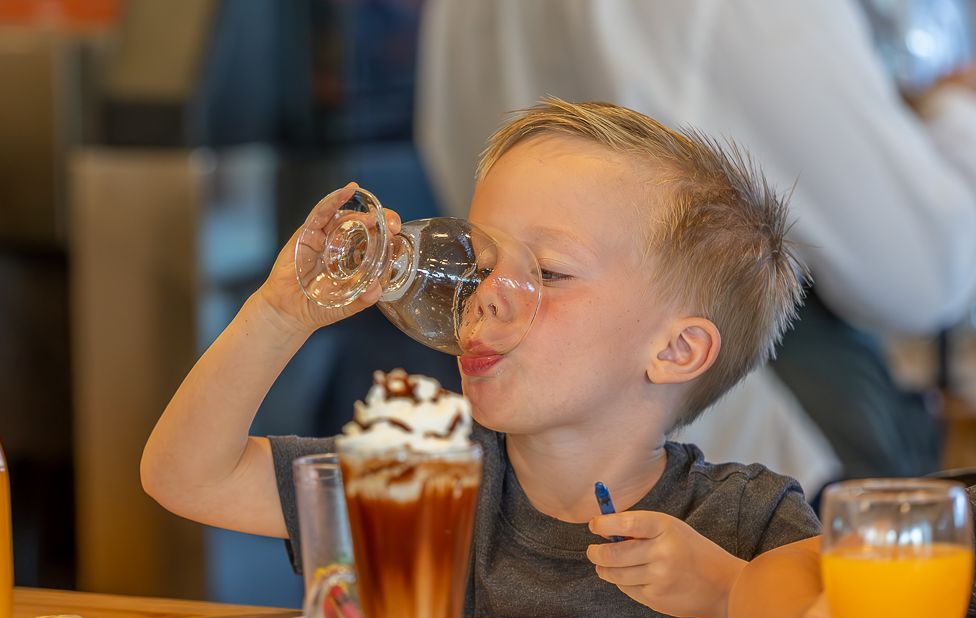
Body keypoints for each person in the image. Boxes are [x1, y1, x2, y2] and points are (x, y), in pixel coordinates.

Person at [141, 98, 819, 618]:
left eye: (549, 272)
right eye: (480, 263)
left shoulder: (748, 519)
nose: (486, 293)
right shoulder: (420, 482)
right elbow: (188, 475)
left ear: (675, 352)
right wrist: (279, 314)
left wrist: (726, 589)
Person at [416, 0, 976, 490]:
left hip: (715, 480)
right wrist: (955, 110)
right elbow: (920, 274)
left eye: (550, 270)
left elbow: (443, 142)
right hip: (770, 442)